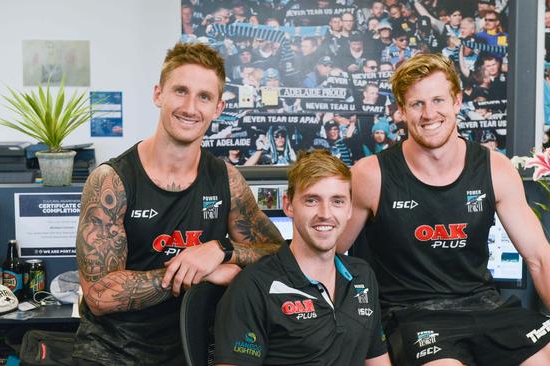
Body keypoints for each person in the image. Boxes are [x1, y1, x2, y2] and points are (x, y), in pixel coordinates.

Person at [337, 54, 550, 366]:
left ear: (457, 101)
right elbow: (328, 255)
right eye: (417, 104)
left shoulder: (495, 168)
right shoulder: (370, 175)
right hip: (413, 318)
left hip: (488, 309)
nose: (429, 114)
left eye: (438, 100)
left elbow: (540, 258)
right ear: (401, 111)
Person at [73, 43, 284, 365]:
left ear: (218, 107)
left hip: (194, 345)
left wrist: (221, 251)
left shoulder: (226, 180)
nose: (190, 107)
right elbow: (100, 294)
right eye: (180, 91)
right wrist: (196, 271)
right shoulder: (111, 181)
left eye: (204, 97)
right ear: (159, 94)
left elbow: (276, 251)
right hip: (114, 352)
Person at [213, 150, 391, 366]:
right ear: (288, 205)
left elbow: (378, 361)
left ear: (349, 208)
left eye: (337, 201)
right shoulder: (254, 286)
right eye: (312, 200)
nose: (325, 213)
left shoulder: (362, 276)